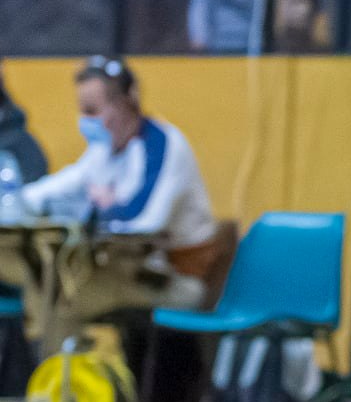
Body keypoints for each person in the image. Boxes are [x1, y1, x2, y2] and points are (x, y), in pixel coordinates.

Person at [18, 57, 220, 309]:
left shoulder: (163, 145)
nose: (84, 119)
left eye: (92, 110)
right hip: (133, 268)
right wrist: (15, 201)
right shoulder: (105, 149)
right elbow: (66, 182)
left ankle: (57, 348)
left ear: (125, 103)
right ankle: (62, 348)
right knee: (52, 284)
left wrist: (101, 208)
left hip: (179, 278)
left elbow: (144, 220)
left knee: (63, 295)